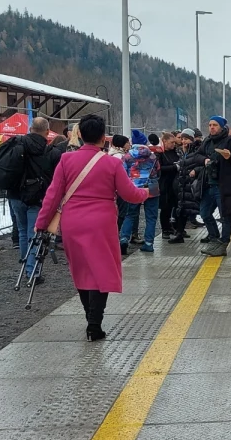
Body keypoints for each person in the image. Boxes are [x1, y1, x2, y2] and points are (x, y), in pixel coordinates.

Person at [35, 114, 149, 341]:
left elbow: (52, 196)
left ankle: (89, 316)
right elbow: (129, 194)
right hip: (102, 223)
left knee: (83, 271)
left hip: (72, 222)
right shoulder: (111, 163)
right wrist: (147, 192)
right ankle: (94, 325)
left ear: (79, 134)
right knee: (102, 272)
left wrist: (40, 224)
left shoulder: (66, 161)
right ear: (102, 136)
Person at [6, 117, 62, 280]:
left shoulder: (17, 145)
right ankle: (32, 271)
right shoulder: (52, 152)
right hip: (37, 198)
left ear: (31, 129)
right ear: (47, 132)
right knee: (34, 234)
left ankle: (25, 265)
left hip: (15, 196)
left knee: (23, 232)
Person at [198, 115, 231, 257]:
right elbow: (196, 156)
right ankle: (214, 238)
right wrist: (204, 160)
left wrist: (230, 157)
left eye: (215, 125)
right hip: (209, 184)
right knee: (204, 213)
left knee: (226, 216)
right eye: (210, 125)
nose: (212, 127)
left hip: (224, 185)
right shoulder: (207, 141)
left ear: (222, 127)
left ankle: (223, 243)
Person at [118, 138, 161, 253]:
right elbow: (158, 170)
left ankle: (124, 239)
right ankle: (148, 243)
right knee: (151, 217)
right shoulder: (152, 156)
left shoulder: (127, 156)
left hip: (134, 187)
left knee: (130, 215)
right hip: (151, 187)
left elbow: (123, 172)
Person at [156, 131, 181, 238]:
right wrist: (174, 167)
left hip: (174, 183)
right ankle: (165, 229)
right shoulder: (159, 154)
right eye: (171, 143)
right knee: (165, 207)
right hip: (164, 183)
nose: (173, 145)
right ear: (164, 142)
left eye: (174, 143)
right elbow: (158, 169)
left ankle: (173, 227)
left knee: (173, 206)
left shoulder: (174, 152)